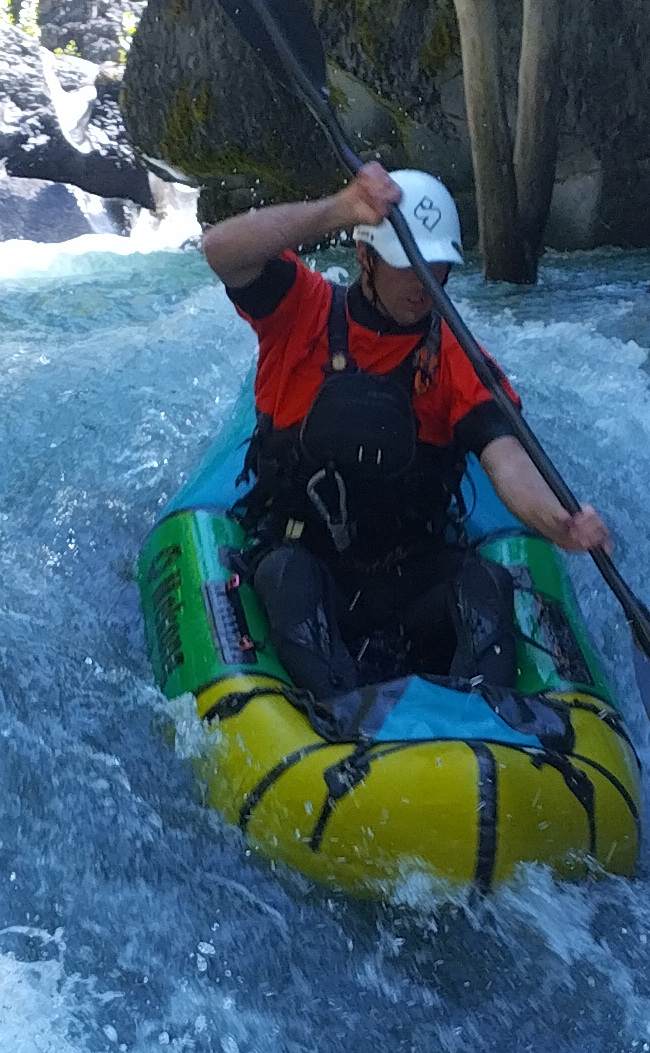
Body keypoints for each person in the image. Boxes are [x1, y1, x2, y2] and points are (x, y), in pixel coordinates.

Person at [200, 161, 610, 720]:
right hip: (310, 567)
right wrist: (339, 208)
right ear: (365, 256)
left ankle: (485, 726)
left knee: (482, 581)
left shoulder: (456, 356)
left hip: (411, 576)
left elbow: (507, 460)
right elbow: (222, 250)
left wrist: (558, 523)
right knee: (285, 576)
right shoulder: (301, 309)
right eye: (407, 264)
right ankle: (342, 726)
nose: (424, 282)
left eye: (437, 267)